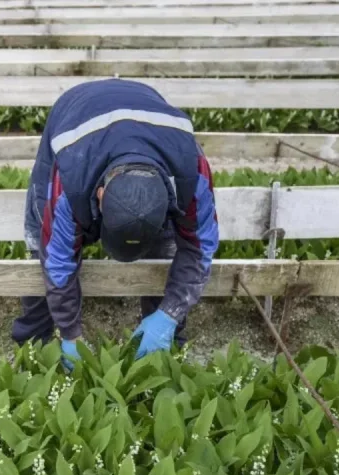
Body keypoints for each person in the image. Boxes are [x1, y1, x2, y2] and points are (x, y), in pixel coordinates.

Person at [12, 78, 219, 369]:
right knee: (41, 246)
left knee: (167, 251)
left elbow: (199, 247)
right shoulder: (69, 176)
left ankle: (165, 348)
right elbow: (58, 260)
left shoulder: (190, 170)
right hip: (74, 121)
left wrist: (170, 314)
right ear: (99, 195)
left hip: (150, 123)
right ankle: (32, 349)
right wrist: (71, 334)